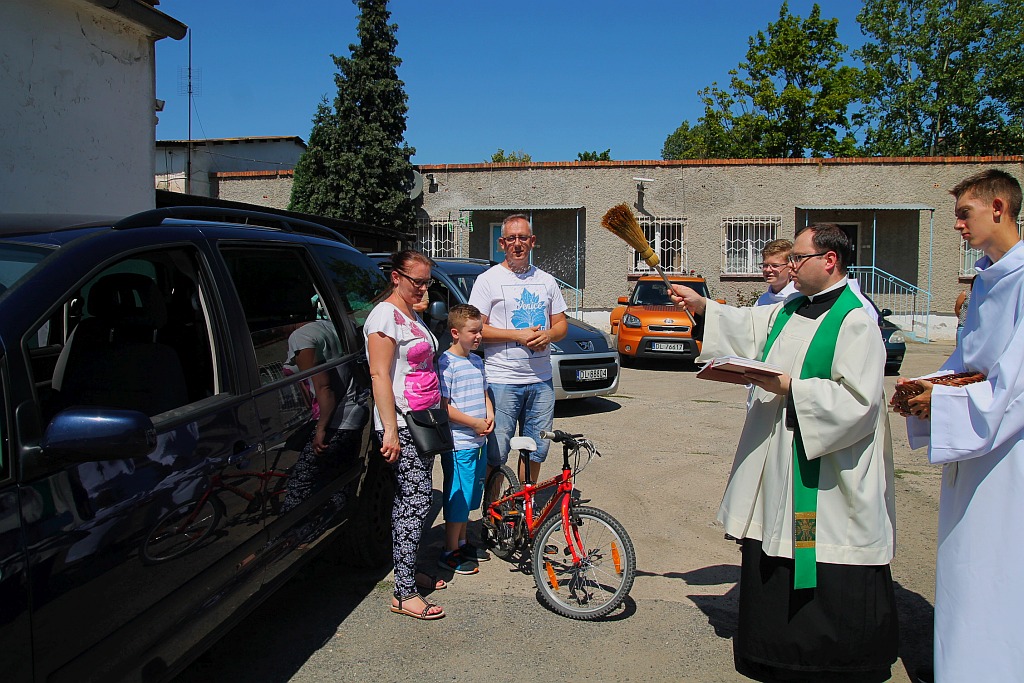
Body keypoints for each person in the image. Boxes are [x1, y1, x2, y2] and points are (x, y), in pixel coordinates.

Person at [672, 224, 898, 682]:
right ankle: (771, 649)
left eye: (798, 258)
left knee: (822, 546)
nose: (790, 266)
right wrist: (702, 308)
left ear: (829, 260)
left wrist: (790, 387)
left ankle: (829, 659)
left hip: (827, 463)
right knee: (772, 544)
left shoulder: (856, 320)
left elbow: (860, 401)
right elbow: (749, 328)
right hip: (780, 454)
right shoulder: (792, 308)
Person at [898, 169, 1024, 682]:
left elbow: (1012, 384)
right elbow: (968, 361)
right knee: (962, 567)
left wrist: (945, 403)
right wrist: (924, 390)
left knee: (995, 569)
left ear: (998, 207)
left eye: (962, 213)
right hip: (977, 447)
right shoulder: (987, 277)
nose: (956, 225)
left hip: (1007, 454)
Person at [364, 250, 447, 620]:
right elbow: (379, 375)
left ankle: (408, 573)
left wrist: (420, 305)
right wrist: (390, 431)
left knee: (413, 500)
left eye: (427, 281)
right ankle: (403, 593)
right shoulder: (384, 316)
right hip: (402, 424)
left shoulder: (410, 313)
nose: (423, 288)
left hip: (422, 420)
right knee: (413, 502)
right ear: (396, 277)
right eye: (417, 281)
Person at [468, 214, 568, 485]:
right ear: (502, 243)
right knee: (496, 453)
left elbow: (561, 325)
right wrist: (518, 335)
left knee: (535, 450)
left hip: (541, 380)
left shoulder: (547, 281)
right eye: (511, 238)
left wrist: (547, 335)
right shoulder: (488, 280)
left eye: (523, 237)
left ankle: (524, 509)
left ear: (532, 242)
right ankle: (493, 511)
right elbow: (477, 329)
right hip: (503, 381)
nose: (517, 244)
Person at [437, 304, 494, 575]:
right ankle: (449, 549)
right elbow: (444, 407)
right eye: (473, 332)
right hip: (459, 442)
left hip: (478, 441)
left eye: (480, 331)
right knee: (457, 495)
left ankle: (462, 541)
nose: (478, 336)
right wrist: (473, 423)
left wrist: (489, 414)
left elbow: (484, 394)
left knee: (471, 494)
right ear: (455, 333)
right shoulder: (447, 364)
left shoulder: (477, 361)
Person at [754, 239, 796, 306]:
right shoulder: (761, 301)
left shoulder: (799, 297)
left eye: (775, 265)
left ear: (790, 266)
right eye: (765, 265)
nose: (768, 270)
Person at [953, 276, 974, 345]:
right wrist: (962, 318)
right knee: (960, 348)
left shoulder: (980, 296)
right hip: (963, 325)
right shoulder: (965, 294)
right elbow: (957, 308)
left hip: (974, 328)